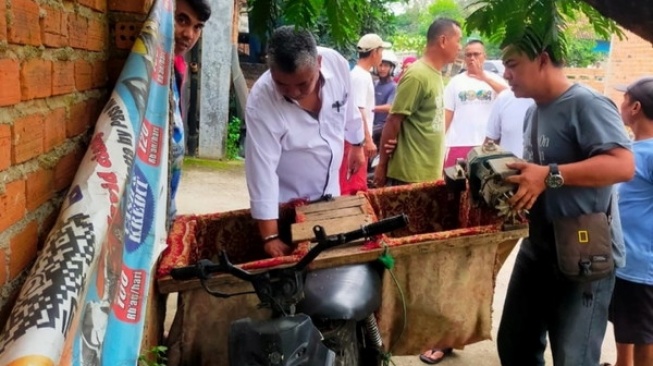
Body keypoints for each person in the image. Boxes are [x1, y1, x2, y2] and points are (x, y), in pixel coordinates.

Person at [496, 37, 635, 365]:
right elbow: (539, 172)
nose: (506, 74)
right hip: (538, 248)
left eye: (512, 65)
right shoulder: (533, 111)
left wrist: (549, 174)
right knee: (515, 342)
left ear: (542, 60)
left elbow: (623, 165)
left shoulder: (587, 104)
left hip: (583, 254)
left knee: (574, 357)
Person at [245, 25, 365, 258]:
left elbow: (348, 108)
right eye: (282, 84)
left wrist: (357, 144)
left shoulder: (337, 64)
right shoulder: (261, 102)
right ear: (271, 72)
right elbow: (261, 170)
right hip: (290, 205)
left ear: (319, 63)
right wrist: (270, 236)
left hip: (332, 196)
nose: (293, 92)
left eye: (302, 84)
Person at [372, 18, 461, 189]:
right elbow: (393, 121)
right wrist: (382, 166)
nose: (460, 47)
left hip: (427, 174)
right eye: (458, 40)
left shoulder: (435, 74)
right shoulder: (417, 75)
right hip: (409, 176)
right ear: (443, 41)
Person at [606, 76, 653, 366]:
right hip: (622, 260)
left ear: (635, 107)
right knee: (624, 326)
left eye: (625, 99)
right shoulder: (629, 148)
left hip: (642, 264)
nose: (621, 104)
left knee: (645, 336)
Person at [170, 0, 211, 223]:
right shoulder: (148, 65)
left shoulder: (176, 66)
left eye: (197, 27)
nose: (189, 34)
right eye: (182, 20)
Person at [443, 39, 507, 167]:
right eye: (468, 54)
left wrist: (483, 77)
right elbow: (447, 113)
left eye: (476, 54)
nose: (472, 58)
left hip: (488, 145)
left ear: (484, 56)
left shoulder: (494, 79)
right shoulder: (455, 82)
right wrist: (440, 141)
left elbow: (510, 97)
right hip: (458, 143)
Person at [339, 33, 386, 195]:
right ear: (375, 52)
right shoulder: (361, 77)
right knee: (354, 184)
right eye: (381, 52)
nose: (382, 57)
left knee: (351, 179)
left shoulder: (358, 75)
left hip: (353, 138)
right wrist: (367, 139)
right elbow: (359, 110)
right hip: (355, 140)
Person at [483, 89, 534, 157]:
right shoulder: (504, 98)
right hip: (504, 166)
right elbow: (490, 142)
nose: (507, 77)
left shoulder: (551, 103)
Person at [371, 49, 398, 146]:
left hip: (382, 127)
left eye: (386, 66)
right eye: (380, 65)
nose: (382, 69)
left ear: (391, 68)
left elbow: (389, 107)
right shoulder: (374, 84)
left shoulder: (394, 87)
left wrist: (370, 108)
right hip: (371, 124)